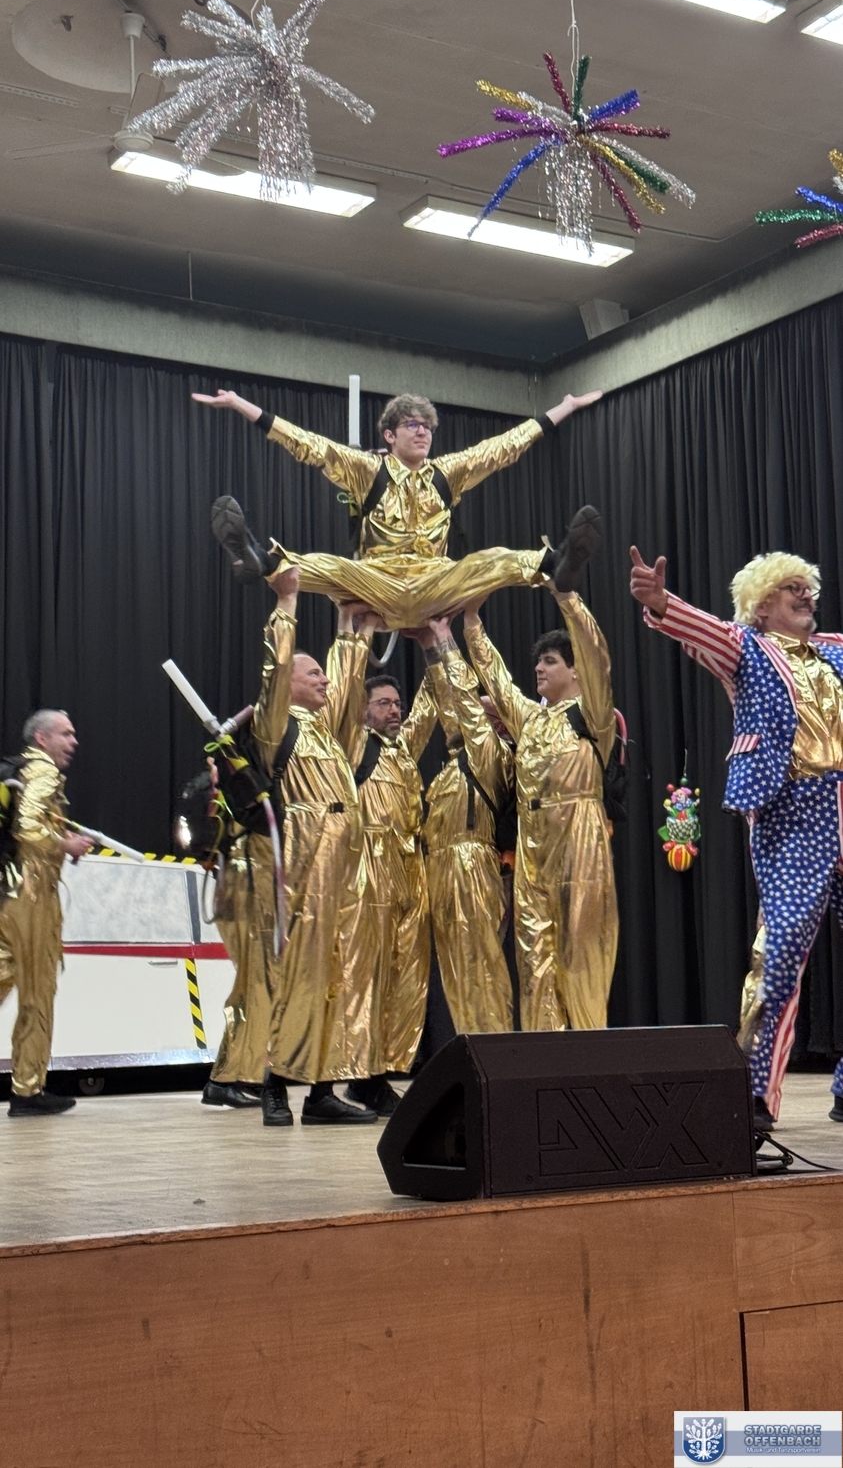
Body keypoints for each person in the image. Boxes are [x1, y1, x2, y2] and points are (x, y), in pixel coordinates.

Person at [630, 544, 843, 1130]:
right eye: (792, 587)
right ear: (762, 603)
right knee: (782, 949)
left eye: (808, 586)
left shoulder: (836, 649)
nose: (806, 595)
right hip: (794, 811)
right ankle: (754, 1092)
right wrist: (661, 602)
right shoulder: (746, 647)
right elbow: (698, 629)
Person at [192, 388, 603, 628]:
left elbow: (505, 446)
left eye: (428, 427)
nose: (423, 432)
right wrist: (242, 405)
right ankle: (259, 560)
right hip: (377, 582)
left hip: (436, 583)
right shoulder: (366, 469)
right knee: (325, 566)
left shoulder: (449, 472)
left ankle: (558, 562)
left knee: (492, 559)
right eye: (412, 425)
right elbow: (309, 445)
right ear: (389, 435)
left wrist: (565, 406)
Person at [207, 568, 377, 1127]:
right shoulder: (278, 727)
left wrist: (353, 625)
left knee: (338, 977)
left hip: (345, 865)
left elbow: (349, 680)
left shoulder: (330, 733)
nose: (324, 680)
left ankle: (324, 1091)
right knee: (295, 974)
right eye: (313, 673)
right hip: (301, 862)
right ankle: (275, 1084)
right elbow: (275, 670)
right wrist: (287, 603)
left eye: (322, 672)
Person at [462, 512, 618, 1031]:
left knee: (582, 953)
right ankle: (543, 1058)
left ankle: (589, 1055)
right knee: (534, 959)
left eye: (550, 661)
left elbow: (597, 658)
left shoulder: (592, 715)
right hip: (531, 845)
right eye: (539, 662)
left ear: (573, 671)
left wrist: (566, 596)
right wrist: (471, 620)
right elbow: (497, 680)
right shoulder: (530, 719)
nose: (539, 668)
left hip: (579, 834)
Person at [331, 671, 436, 1116]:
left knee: (401, 977)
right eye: (384, 703)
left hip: (408, 868)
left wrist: (436, 644)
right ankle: (360, 1073)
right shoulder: (353, 744)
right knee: (366, 976)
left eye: (397, 704)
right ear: (363, 710)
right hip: (367, 868)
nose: (395, 710)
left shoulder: (402, 750)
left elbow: (428, 709)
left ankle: (378, 1076)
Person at [419, 618, 516, 1034]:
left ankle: (495, 1049)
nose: (469, 712)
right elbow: (451, 705)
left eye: (482, 711)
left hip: (472, 862)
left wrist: (445, 640)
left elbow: (463, 700)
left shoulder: (494, 754)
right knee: (456, 972)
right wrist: (429, 649)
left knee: (480, 965)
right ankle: (472, 1044)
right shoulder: (458, 760)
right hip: (441, 866)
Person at [0, 711, 93, 1116]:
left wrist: (59, 836)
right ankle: (28, 1089)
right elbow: (26, 827)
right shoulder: (43, 770)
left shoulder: (19, 770)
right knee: (38, 991)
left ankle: (28, 1086)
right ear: (41, 739)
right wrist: (65, 845)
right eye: (65, 734)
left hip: (7, 889)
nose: (73, 741)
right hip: (32, 893)